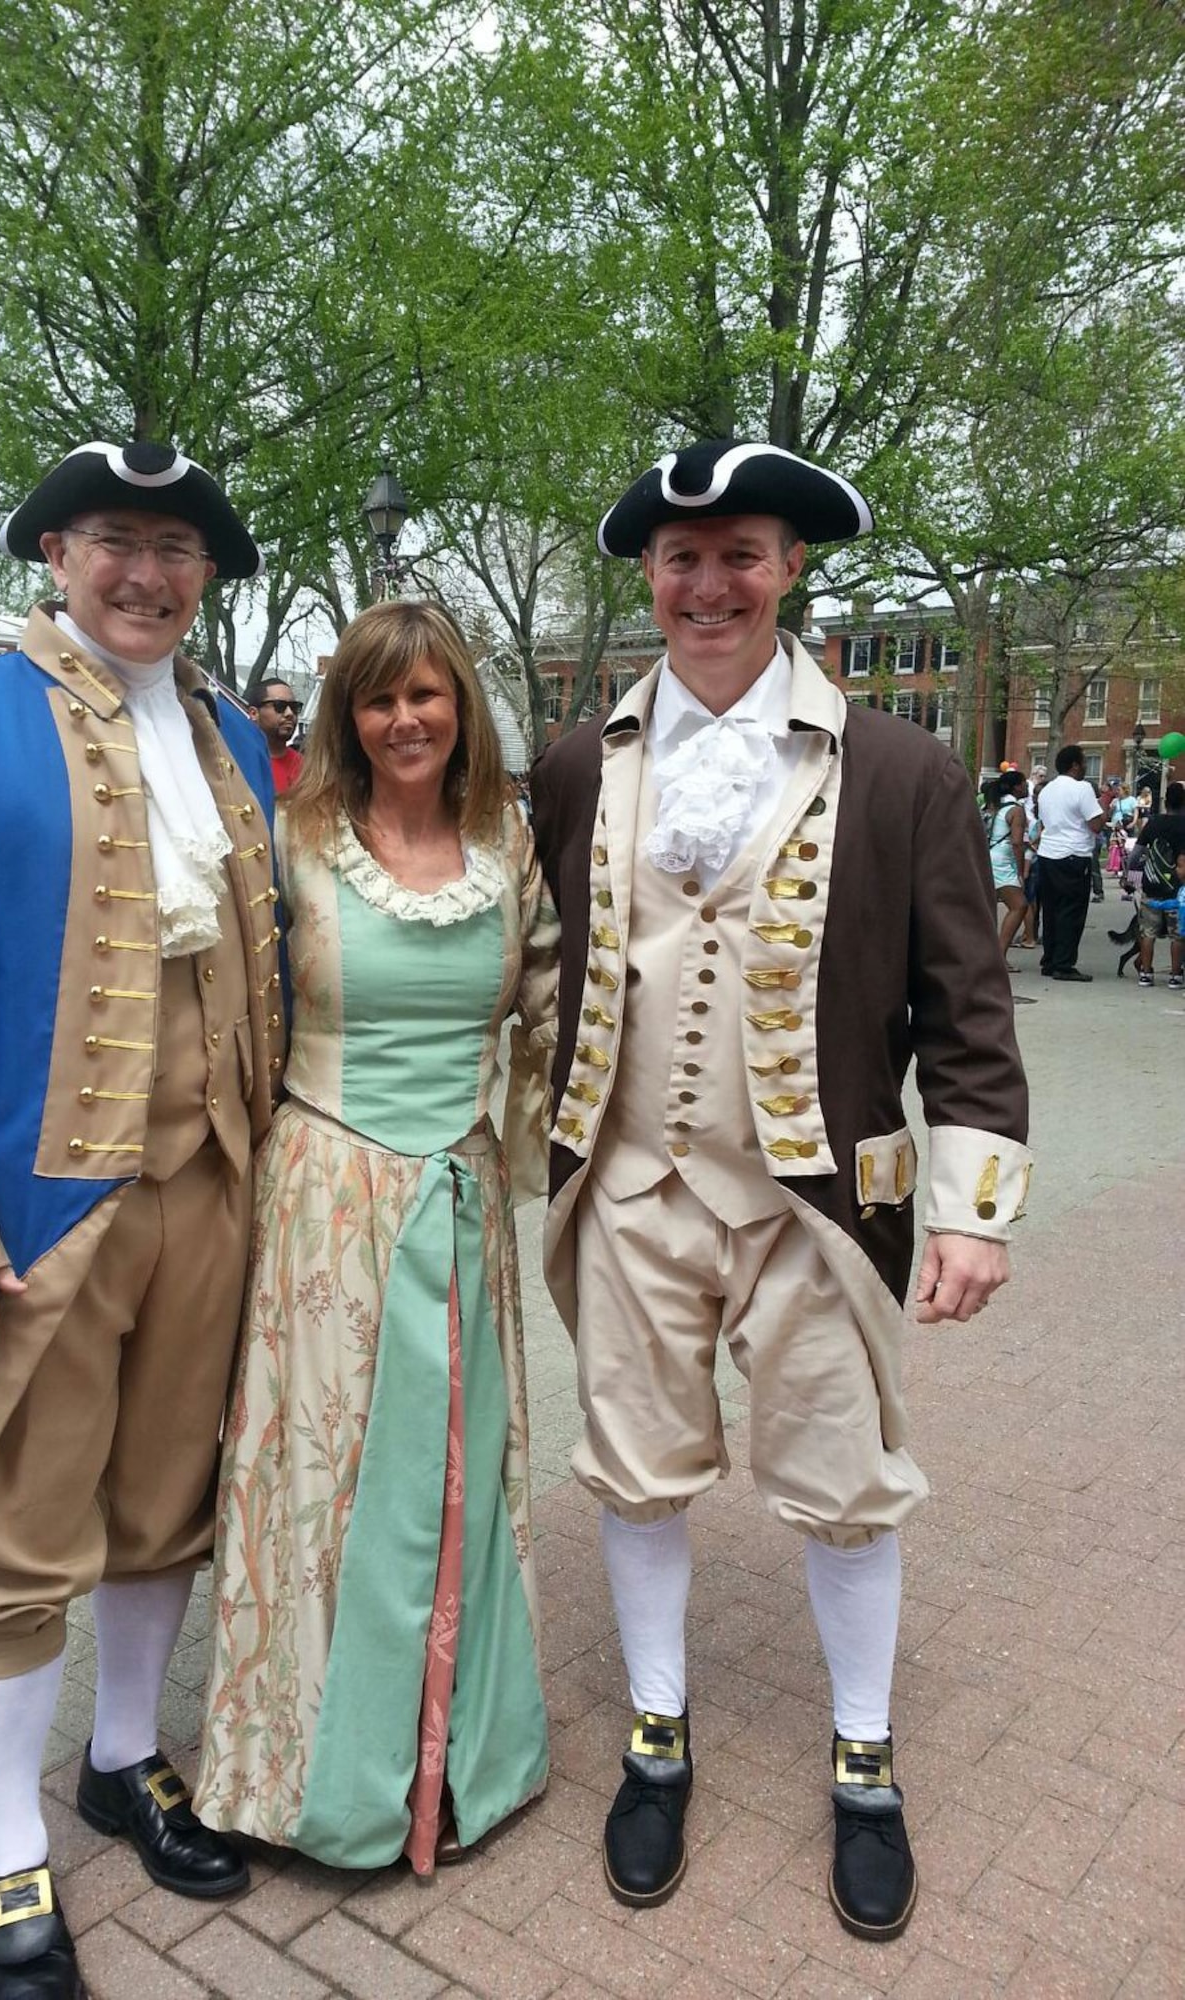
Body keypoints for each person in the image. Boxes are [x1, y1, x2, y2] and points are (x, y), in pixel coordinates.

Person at [529, 440, 1030, 1941]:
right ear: (648, 578)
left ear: (791, 569)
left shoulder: (904, 768)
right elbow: (536, 968)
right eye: (682, 560)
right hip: (627, 1186)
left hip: (820, 1201)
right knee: (637, 1470)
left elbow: (971, 1008)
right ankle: (658, 1732)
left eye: (741, 553)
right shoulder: (575, 763)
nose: (709, 585)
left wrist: (972, 1211)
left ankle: (863, 1759)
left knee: (844, 1488)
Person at [0, 440, 286, 2000]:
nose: (146, 574)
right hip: (38, 1198)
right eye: (115, 541)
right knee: (21, 1529)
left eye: (176, 550)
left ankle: (122, 1762)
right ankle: (15, 1837)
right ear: (53, 553)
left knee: (169, 1496)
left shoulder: (235, 733)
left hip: (214, 1183)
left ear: (207, 575)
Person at [194, 599, 557, 1874]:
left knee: (457, 1476)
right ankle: (316, 1778)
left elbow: (557, 1003)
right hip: (325, 1199)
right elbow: (232, 997)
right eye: (378, 698)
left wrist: (547, 1155)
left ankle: (457, 1756)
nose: (406, 719)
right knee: (328, 1490)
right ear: (349, 714)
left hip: (457, 1193)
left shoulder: (506, 838)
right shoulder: (295, 838)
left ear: (461, 704)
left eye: (428, 694)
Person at [1034, 744, 1105, 981]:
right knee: (1072, 911)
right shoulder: (1082, 788)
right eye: (1083, 762)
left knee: (1051, 909)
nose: (1085, 766)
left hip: (1047, 853)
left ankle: (1050, 960)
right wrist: (1103, 807)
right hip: (1073, 854)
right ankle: (1064, 964)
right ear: (1074, 765)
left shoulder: (1046, 790)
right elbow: (1095, 824)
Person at [1130, 780, 1185, 989]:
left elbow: (1136, 855)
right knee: (1178, 934)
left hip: (1151, 885)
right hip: (1178, 890)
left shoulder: (1152, 823)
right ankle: (1175, 974)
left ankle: (1145, 972)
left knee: (1147, 932)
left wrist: (1133, 881)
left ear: (1165, 802)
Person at [981, 769, 1030, 969]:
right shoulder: (1016, 810)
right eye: (1024, 783)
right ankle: (999, 955)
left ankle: (985, 953)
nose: (1026, 787)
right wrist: (1020, 872)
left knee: (987, 908)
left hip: (987, 857)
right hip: (1003, 861)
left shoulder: (993, 806)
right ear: (1017, 786)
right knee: (1019, 905)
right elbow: (1017, 842)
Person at [245, 675, 305, 793]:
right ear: (253, 713)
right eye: (279, 706)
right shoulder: (238, 762)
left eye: (294, 707)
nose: (289, 713)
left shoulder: (307, 769)